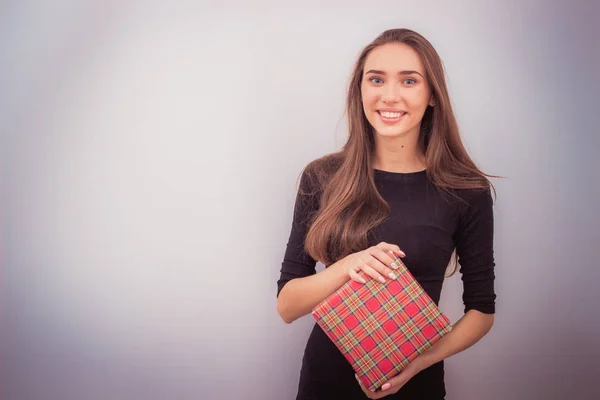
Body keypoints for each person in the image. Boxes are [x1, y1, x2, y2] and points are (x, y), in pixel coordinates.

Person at [276, 28, 497, 400]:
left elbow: (482, 311)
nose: (389, 95)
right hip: (323, 385)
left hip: (416, 384)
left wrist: (419, 363)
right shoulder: (322, 177)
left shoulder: (466, 191)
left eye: (409, 81)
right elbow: (287, 305)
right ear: (359, 90)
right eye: (376, 79)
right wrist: (349, 265)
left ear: (431, 96)